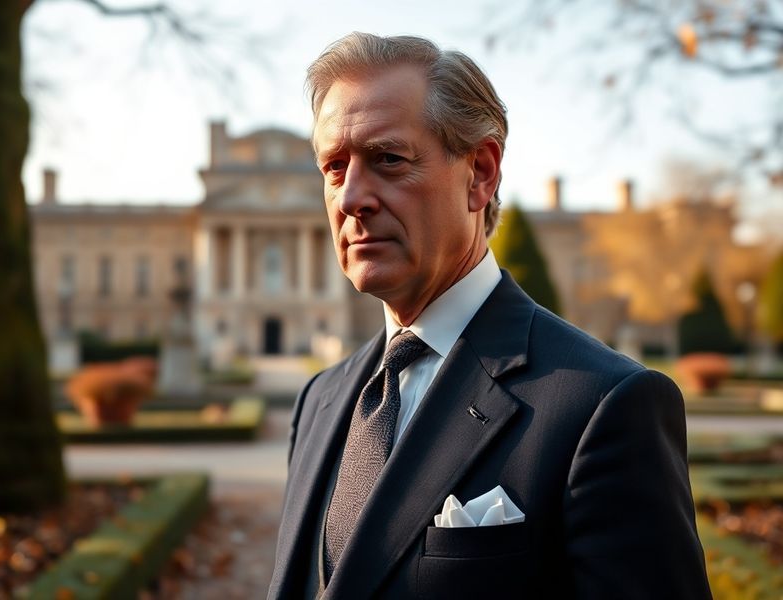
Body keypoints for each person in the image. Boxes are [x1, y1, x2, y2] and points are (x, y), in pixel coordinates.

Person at [268, 32, 711, 600]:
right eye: (334, 167)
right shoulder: (321, 400)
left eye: (388, 159)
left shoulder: (602, 404)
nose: (352, 196)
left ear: (480, 172)